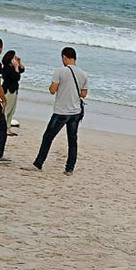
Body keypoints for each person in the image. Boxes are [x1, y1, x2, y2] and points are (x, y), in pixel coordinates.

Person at [27, 47, 88, 175]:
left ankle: (38, 163)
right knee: (72, 141)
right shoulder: (84, 74)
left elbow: (52, 90)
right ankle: (69, 168)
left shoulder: (59, 71)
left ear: (64, 57)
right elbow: (83, 94)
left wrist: (59, 87)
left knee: (48, 137)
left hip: (61, 111)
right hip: (75, 112)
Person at [1, 50, 25, 136]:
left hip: (14, 90)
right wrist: (16, 68)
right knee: (7, 109)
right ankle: (4, 128)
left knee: (12, 110)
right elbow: (16, 77)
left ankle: (8, 128)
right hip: (8, 90)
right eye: (14, 57)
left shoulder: (12, 66)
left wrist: (19, 62)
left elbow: (22, 70)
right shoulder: (6, 68)